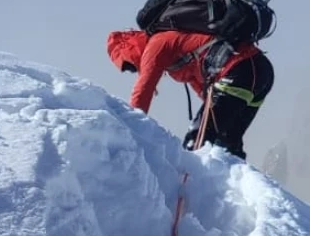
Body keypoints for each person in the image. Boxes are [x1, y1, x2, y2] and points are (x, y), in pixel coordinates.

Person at [106, 28, 274, 159]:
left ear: (130, 48)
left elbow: (143, 89)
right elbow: (202, 88)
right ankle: (237, 193)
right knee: (227, 143)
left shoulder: (156, 45)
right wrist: (215, 110)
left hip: (238, 70)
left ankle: (190, 197)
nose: (133, 70)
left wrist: (131, 127)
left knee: (197, 144)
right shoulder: (174, 52)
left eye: (129, 65)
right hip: (260, 72)